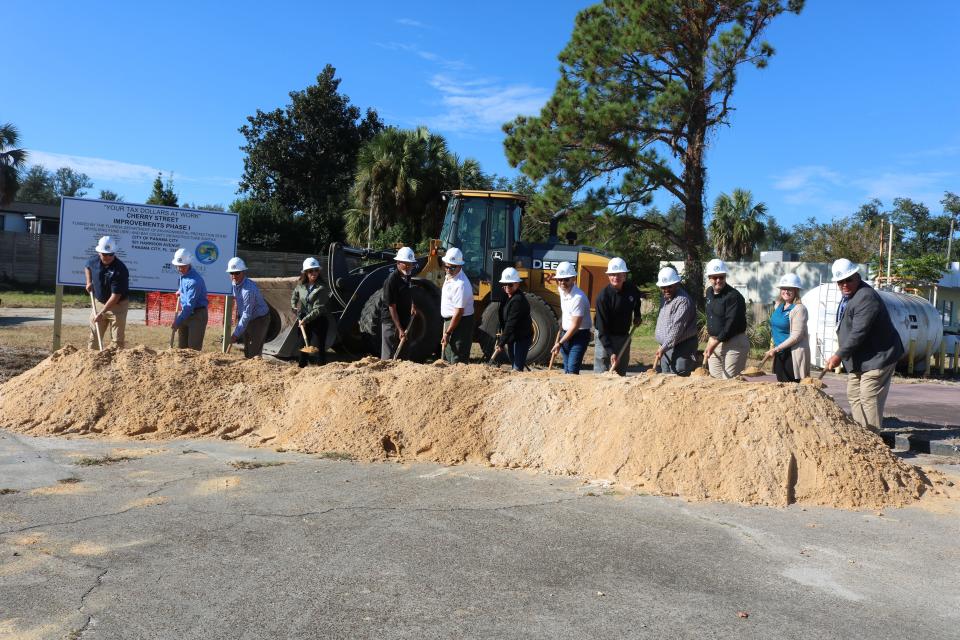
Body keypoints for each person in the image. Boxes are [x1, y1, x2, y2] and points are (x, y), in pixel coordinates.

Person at [824, 258, 904, 433]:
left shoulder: (865, 297)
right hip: (859, 359)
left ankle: (873, 441)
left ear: (857, 276)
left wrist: (839, 355)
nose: (844, 284)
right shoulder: (849, 296)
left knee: (868, 397)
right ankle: (862, 436)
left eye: (848, 280)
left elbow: (859, 332)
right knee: (854, 395)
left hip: (878, 357)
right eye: (840, 282)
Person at [593, 257, 642, 375]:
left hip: (623, 336)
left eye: (619, 274)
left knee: (620, 370)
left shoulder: (631, 289)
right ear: (608, 275)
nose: (616, 277)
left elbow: (637, 301)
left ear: (625, 275)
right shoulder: (603, 297)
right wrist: (610, 351)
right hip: (605, 336)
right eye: (612, 274)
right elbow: (602, 328)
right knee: (603, 370)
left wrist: (637, 315)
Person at [703, 258, 749, 379]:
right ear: (709, 278)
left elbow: (730, 324)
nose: (718, 280)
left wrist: (715, 342)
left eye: (721, 277)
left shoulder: (734, 296)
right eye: (715, 277)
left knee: (729, 383)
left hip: (734, 343)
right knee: (714, 381)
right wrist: (712, 341)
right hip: (714, 342)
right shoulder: (709, 293)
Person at [84, 235, 130, 350]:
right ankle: (92, 362)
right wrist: (89, 282)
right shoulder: (93, 261)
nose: (108, 257)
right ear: (99, 253)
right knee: (94, 336)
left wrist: (102, 312)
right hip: (99, 303)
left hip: (118, 306)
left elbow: (115, 296)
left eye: (111, 254)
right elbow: (87, 267)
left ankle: (115, 364)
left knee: (117, 340)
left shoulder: (120, 270)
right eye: (105, 254)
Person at [764, 273, 810, 382]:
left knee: (792, 388)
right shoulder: (779, 306)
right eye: (783, 288)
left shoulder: (799, 309)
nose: (786, 291)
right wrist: (774, 346)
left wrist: (777, 348)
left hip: (792, 355)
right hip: (779, 353)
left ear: (796, 291)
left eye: (790, 289)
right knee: (781, 385)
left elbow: (796, 336)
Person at [654, 267, 698, 376]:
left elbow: (676, 329)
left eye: (670, 286)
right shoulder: (664, 298)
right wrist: (662, 344)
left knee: (679, 371)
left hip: (683, 344)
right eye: (663, 287)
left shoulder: (683, 301)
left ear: (677, 284)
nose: (666, 289)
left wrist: (664, 346)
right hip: (666, 345)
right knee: (665, 371)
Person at [550, 261, 592, 374]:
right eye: (560, 279)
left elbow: (575, 326)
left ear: (573, 278)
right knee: (567, 369)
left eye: (566, 279)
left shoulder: (578, 298)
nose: (563, 282)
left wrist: (559, 343)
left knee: (572, 370)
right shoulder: (561, 289)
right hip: (565, 332)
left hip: (579, 335)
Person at [226, 257, 270, 358]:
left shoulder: (248, 290)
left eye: (237, 273)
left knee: (253, 351)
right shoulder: (233, 284)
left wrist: (236, 334)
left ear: (243, 272)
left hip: (260, 318)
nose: (234, 276)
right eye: (231, 273)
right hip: (248, 316)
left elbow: (246, 314)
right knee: (247, 349)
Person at [380, 247, 418, 360]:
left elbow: (409, 291)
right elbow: (392, 307)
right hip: (392, 323)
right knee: (389, 357)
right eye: (406, 263)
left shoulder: (407, 275)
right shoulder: (391, 281)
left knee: (404, 356)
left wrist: (412, 304)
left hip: (405, 320)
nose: (409, 266)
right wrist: (400, 329)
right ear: (398, 262)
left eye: (410, 264)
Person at [492, 267, 533, 371]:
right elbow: (503, 318)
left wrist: (501, 343)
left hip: (522, 338)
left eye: (510, 284)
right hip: (512, 337)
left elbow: (511, 323)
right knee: (513, 362)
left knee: (517, 368)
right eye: (504, 284)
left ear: (517, 284)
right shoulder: (506, 297)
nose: (507, 287)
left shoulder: (518, 300)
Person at [290, 257, 328, 367]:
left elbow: (318, 309)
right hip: (305, 318)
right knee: (302, 344)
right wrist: (294, 306)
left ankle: (322, 368)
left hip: (319, 320)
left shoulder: (322, 288)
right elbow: (294, 296)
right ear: (306, 272)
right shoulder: (301, 285)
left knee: (320, 345)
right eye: (311, 271)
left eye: (316, 270)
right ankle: (302, 367)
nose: (314, 273)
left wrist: (305, 320)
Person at [439, 247, 475, 363]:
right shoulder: (450, 276)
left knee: (457, 357)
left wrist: (448, 332)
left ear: (460, 266)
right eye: (446, 266)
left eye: (452, 267)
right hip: (451, 321)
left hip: (460, 323)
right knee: (449, 354)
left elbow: (459, 312)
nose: (448, 269)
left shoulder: (461, 284)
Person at [171, 248, 208, 351]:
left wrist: (177, 321)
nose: (179, 269)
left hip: (197, 314)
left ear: (188, 264)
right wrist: (180, 291)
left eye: (182, 266)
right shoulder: (183, 276)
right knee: (182, 348)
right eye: (178, 266)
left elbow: (189, 306)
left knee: (193, 349)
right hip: (186, 313)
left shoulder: (195, 281)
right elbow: (184, 288)